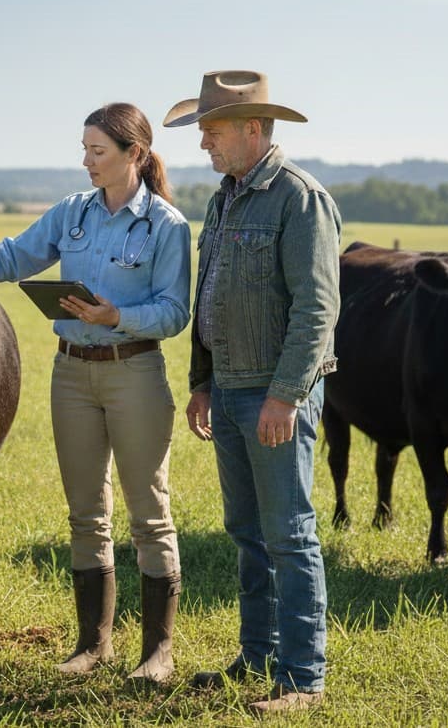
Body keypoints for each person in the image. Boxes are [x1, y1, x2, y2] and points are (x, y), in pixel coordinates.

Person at [0, 103, 191, 686]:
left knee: (149, 515)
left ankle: (158, 653)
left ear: (134, 154)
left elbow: (175, 310)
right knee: (86, 513)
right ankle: (92, 645)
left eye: (98, 151)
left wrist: (116, 316)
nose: (87, 161)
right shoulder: (71, 213)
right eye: (84, 150)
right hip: (71, 374)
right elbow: (10, 256)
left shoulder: (166, 226)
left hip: (133, 372)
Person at [162, 70, 341, 716]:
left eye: (212, 131)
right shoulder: (225, 198)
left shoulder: (299, 198)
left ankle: (303, 679)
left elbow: (317, 310)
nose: (203, 143)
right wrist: (201, 382)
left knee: (289, 535)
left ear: (254, 129)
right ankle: (258, 655)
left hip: (274, 396)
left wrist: (285, 396)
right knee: (247, 532)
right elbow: (210, 293)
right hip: (229, 390)